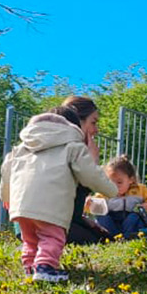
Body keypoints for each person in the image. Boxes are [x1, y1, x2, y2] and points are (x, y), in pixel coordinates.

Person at [0, 106, 118, 282]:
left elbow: (6, 174)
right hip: (51, 206)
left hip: (21, 207)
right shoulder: (72, 146)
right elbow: (90, 174)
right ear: (74, 127)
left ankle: (30, 267)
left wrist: (7, 198)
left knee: (30, 240)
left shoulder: (21, 148)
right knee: (52, 237)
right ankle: (45, 267)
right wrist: (111, 190)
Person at [61, 96, 111, 245]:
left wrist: (82, 219)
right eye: (93, 122)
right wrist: (93, 163)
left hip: (28, 223)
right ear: (77, 122)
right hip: (49, 224)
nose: (96, 130)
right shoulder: (70, 150)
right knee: (101, 241)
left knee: (102, 236)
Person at [91, 155, 147, 238]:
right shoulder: (104, 192)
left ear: (130, 180)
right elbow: (92, 205)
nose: (114, 186)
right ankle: (112, 238)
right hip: (112, 225)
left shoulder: (140, 190)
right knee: (102, 217)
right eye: (110, 182)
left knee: (134, 217)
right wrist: (89, 204)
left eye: (119, 182)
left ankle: (129, 237)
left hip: (132, 225)